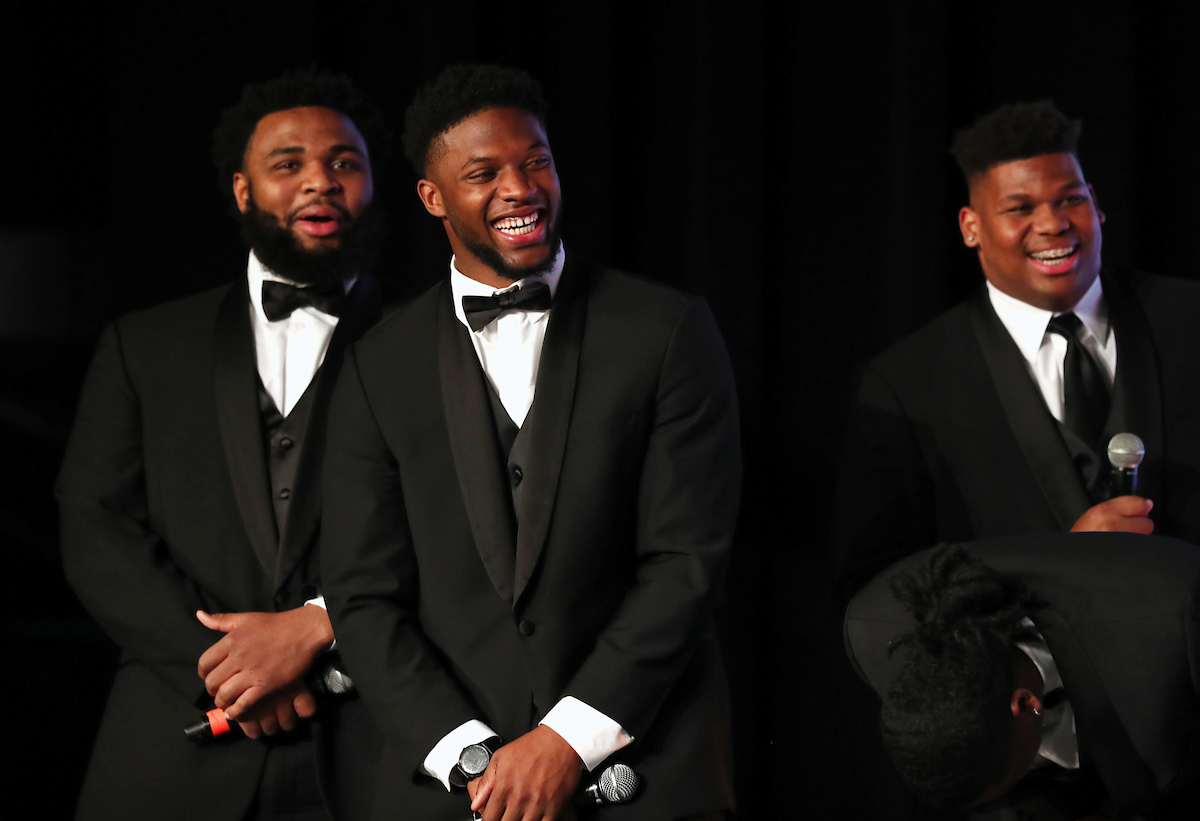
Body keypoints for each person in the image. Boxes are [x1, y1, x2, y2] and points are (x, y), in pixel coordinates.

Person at [320, 64, 741, 820]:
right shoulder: (376, 364)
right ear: (432, 197)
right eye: (484, 174)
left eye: (536, 162)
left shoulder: (666, 330)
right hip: (454, 790)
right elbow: (362, 593)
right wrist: (475, 759)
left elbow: (686, 560)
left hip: (645, 771)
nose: (520, 189)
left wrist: (566, 741)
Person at [57, 68, 388, 821]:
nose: (320, 181)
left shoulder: (434, 339)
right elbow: (94, 522)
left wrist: (321, 629)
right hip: (177, 745)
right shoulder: (146, 344)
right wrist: (227, 674)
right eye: (288, 163)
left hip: (375, 748)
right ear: (243, 190)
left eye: (344, 162)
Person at [833, 100, 1200, 598]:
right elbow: (877, 587)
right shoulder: (906, 386)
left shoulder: (1188, 321)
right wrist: (1057, 570)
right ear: (971, 227)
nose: (1052, 224)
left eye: (1070, 199)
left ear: (1095, 203)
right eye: (1020, 208)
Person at [844, 538, 1200, 820]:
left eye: (1018, 773)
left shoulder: (1176, 622)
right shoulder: (873, 639)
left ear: (1027, 704)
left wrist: (1080, 546)